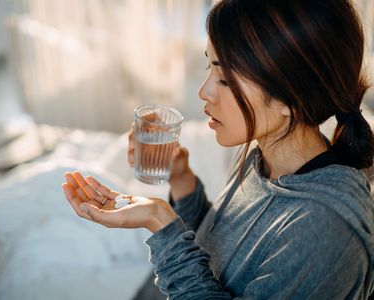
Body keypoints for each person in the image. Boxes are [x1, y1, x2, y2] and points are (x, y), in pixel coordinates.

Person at [62, 0, 374, 298]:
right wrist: (182, 182)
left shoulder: (326, 229)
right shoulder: (262, 156)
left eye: (224, 78)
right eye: (209, 66)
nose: (204, 92)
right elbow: (217, 253)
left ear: (291, 98)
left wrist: (160, 221)